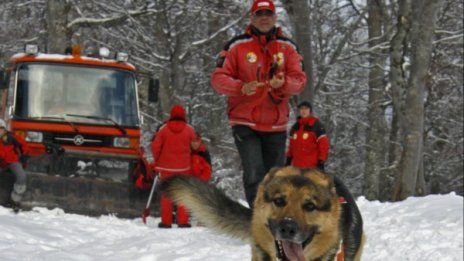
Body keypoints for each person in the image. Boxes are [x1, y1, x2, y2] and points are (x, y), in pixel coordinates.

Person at [210, 0, 306, 207]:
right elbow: (218, 79)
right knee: (253, 170)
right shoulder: (236, 46)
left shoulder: (288, 48)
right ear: (252, 17)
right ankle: (257, 218)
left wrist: (284, 84)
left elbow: (299, 80)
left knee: (277, 176)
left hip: (276, 123)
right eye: (259, 13)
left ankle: (275, 217)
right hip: (244, 121)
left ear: (275, 18)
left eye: (268, 13)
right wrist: (240, 87)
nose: (264, 18)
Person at [150, 104, 197, 228]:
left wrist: (158, 160)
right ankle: (182, 222)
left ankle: (166, 222)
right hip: (184, 168)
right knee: (182, 193)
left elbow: (155, 146)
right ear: (183, 115)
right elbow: (197, 146)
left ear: (171, 115)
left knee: (166, 194)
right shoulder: (189, 130)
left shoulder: (164, 129)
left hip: (165, 167)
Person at [286, 101, 330, 170]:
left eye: (306, 109)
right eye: (301, 109)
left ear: (310, 111)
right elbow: (291, 146)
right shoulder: (295, 127)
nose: (303, 111)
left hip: (312, 168)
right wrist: (288, 160)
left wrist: (321, 161)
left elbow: (323, 145)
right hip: (296, 167)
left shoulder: (317, 125)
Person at [0, 119, 29, 209]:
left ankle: (15, 200)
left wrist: (24, 155)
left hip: (12, 162)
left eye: (1, 128)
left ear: (5, 129)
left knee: (22, 176)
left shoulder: (12, 138)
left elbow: (24, 146)